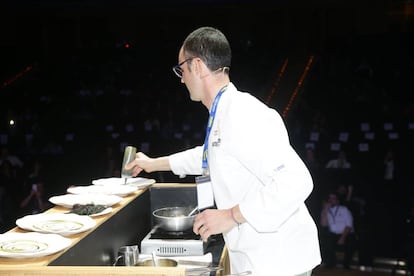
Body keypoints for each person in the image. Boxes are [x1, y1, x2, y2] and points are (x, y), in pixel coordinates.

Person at [125, 26, 321, 276]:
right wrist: (154, 163)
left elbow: (296, 181)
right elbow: (208, 156)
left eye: (181, 70)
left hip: (277, 260)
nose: (182, 79)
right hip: (261, 258)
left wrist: (231, 215)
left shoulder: (243, 113)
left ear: (196, 65)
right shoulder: (224, 112)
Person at [319, 192, 357, 270]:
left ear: (337, 200)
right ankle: (330, 263)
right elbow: (323, 224)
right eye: (329, 198)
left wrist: (342, 238)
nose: (331, 200)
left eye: (333, 198)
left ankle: (346, 265)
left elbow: (349, 225)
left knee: (351, 241)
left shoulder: (344, 209)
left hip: (346, 234)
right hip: (333, 234)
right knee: (325, 239)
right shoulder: (326, 211)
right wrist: (325, 210)